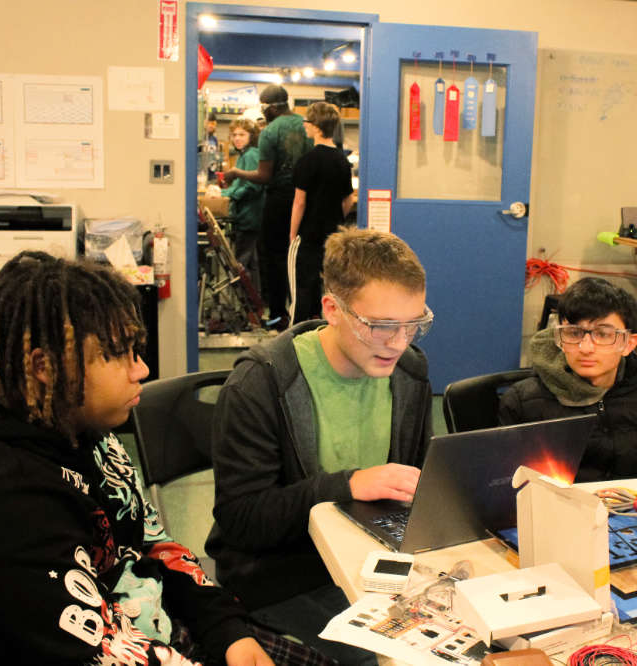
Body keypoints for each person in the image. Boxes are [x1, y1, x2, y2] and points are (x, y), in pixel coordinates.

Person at [0, 251, 331, 665]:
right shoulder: (1, 504)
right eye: (119, 354)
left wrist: (227, 629)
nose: (141, 369)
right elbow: (99, 651)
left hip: (161, 628)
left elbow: (153, 543)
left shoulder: (87, 434)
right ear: (46, 367)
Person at [205, 227, 434, 663]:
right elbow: (241, 520)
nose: (399, 342)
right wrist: (347, 485)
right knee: (386, 657)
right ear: (332, 308)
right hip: (284, 576)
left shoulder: (409, 374)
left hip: (373, 564)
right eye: (381, 326)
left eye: (414, 324)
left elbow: (413, 484)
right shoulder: (261, 383)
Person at [498, 277, 637, 482]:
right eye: (573, 333)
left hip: (633, 511)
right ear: (558, 338)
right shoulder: (521, 403)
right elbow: (503, 485)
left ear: (628, 343)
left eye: (603, 334)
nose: (586, 348)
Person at [224, 85, 312, 330]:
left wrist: (235, 172)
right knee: (299, 257)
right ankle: (302, 313)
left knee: (272, 258)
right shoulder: (306, 126)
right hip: (306, 199)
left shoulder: (270, 132)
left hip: (280, 200)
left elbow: (264, 175)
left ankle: (278, 315)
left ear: (272, 107)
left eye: (264, 108)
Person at [288, 102, 354, 324]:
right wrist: (336, 220)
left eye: (307, 122)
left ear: (316, 127)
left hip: (308, 237)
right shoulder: (342, 161)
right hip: (334, 238)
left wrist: (292, 235)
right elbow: (348, 200)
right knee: (330, 293)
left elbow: (299, 202)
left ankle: (294, 342)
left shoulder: (307, 161)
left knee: (301, 293)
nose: (305, 126)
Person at [224, 117, 265, 295]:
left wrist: (230, 195)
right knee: (249, 263)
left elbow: (252, 186)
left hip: (250, 216)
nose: (237, 138)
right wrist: (223, 194)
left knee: (241, 263)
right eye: (234, 135)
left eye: (242, 134)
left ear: (252, 136)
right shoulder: (244, 155)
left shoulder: (251, 155)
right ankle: (253, 300)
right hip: (246, 216)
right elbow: (239, 184)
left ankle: (247, 303)